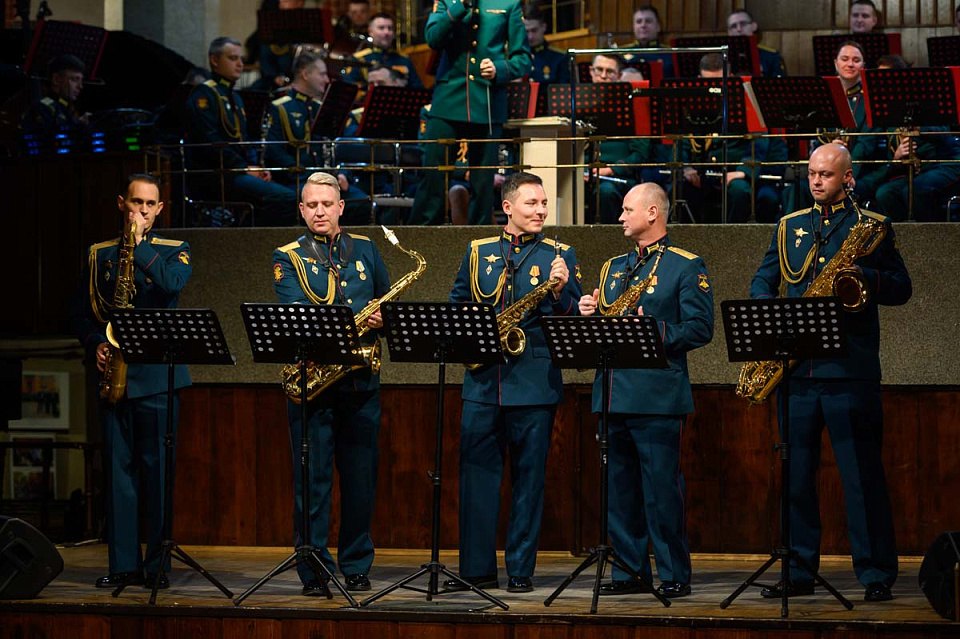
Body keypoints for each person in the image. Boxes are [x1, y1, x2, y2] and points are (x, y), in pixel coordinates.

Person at [750, 143, 910, 602]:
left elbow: (902, 288)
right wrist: (768, 312)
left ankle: (875, 574)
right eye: (812, 174)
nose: (817, 181)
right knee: (795, 477)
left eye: (826, 174)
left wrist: (865, 279)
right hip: (797, 372)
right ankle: (799, 571)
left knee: (862, 478)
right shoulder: (789, 227)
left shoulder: (871, 227)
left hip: (849, 370)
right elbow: (764, 279)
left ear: (848, 178)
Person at [446, 172, 581, 593]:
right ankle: (476, 571)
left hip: (534, 384)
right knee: (476, 478)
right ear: (508, 207)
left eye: (544, 203)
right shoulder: (477, 251)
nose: (541, 210)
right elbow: (457, 308)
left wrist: (561, 294)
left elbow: (576, 320)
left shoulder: (561, 254)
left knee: (529, 481)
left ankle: (520, 571)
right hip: (483, 383)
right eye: (532, 203)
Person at [578, 182, 713, 598]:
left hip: (656, 398)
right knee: (620, 494)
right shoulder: (613, 267)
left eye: (627, 209)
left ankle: (674, 573)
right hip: (613, 394)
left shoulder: (686, 266)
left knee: (661, 492)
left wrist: (653, 331)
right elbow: (606, 327)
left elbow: (700, 329)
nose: (620, 216)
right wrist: (590, 312)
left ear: (652, 213)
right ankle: (628, 572)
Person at [70, 174, 192, 591]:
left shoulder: (175, 251)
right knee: (118, 477)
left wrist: (139, 247)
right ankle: (123, 564)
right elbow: (81, 314)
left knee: (158, 476)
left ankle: (157, 565)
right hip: (113, 376)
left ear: (160, 209)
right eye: (135, 203)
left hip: (156, 379)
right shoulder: (97, 254)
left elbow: (172, 287)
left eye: (150, 205)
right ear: (122, 203)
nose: (141, 211)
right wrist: (94, 344)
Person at [272, 171, 390, 595]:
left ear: (341, 206)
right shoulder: (288, 256)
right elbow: (295, 315)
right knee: (312, 484)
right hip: (313, 386)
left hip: (360, 384)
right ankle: (313, 570)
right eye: (312, 205)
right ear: (301, 210)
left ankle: (356, 564)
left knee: (361, 482)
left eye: (327, 204)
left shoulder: (367, 249)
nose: (320, 211)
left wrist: (382, 319)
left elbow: (385, 300)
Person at [409, 0, 531, 225]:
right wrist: (459, 6)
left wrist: (500, 68)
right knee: (433, 176)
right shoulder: (448, 2)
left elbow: (523, 58)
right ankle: (422, 235)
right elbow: (433, 39)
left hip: (486, 101)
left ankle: (481, 242)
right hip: (448, 99)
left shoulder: (508, 4)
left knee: (483, 182)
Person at [186, 36, 297, 225]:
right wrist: (244, 168)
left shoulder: (235, 97)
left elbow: (243, 141)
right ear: (214, 60)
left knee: (292, 193)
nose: (239, 64)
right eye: (233, 58)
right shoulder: (204, 95)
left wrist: (256, 168)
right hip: (217, 174)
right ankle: (251, 244)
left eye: (241, 59)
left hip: (237, 171)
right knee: (286, 198)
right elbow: (210, 143)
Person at [681, 53, 779, 222]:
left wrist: (743, 171)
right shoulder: (691, 105)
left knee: (740, 191)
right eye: (708, 82)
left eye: (719, 81)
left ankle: (731, 242)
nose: (714, 87)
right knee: (677, 190)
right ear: (699, 78)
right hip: (701, 173)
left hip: (735, 172)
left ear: (730, 78)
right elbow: (682, 142)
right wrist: (685, 168)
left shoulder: (747, 103)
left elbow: (759, 143)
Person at [584, 53, 661, 223]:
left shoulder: (633, 105)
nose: (603, 76)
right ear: (591, 71)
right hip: (583, 175)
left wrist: (610, 169)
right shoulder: (579, 101)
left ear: (619, 76)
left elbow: (640, 153)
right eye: (599, 70)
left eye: (609, 71)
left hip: (617, 176)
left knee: (605, 192)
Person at [341, 12, 423, 90]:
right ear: (370, 32)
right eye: (381, 28)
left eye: (390, 28)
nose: (386, 32)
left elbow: (418, 89)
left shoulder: (404, 59)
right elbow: (350, 88)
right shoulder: (359, 59)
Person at [23, 54, 89, 149]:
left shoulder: (66, 108)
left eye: (81, 81)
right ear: (56, 79)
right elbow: (50, 143)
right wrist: (78, 127)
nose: (80, 86)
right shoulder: (42, 108)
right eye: (74, 79)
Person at [725, 9, 785, 77]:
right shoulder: (722, 56)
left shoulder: (771, 55)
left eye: (743, 24)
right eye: (734, 26)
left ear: (754, 26)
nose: (739, 29)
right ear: (729, 32)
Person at [621, 6, 673, 78]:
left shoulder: (670, 54)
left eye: (648, 21)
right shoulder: (621, 53)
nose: (643, 25)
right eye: (639, 22)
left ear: (658, 27)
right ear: (633, 27)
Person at [523, 6, 569, 85]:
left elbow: (564, 91)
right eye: (526, 31)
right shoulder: (515, 55)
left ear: (544, 27)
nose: (530, 37)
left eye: (534, 31)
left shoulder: (560, 57)